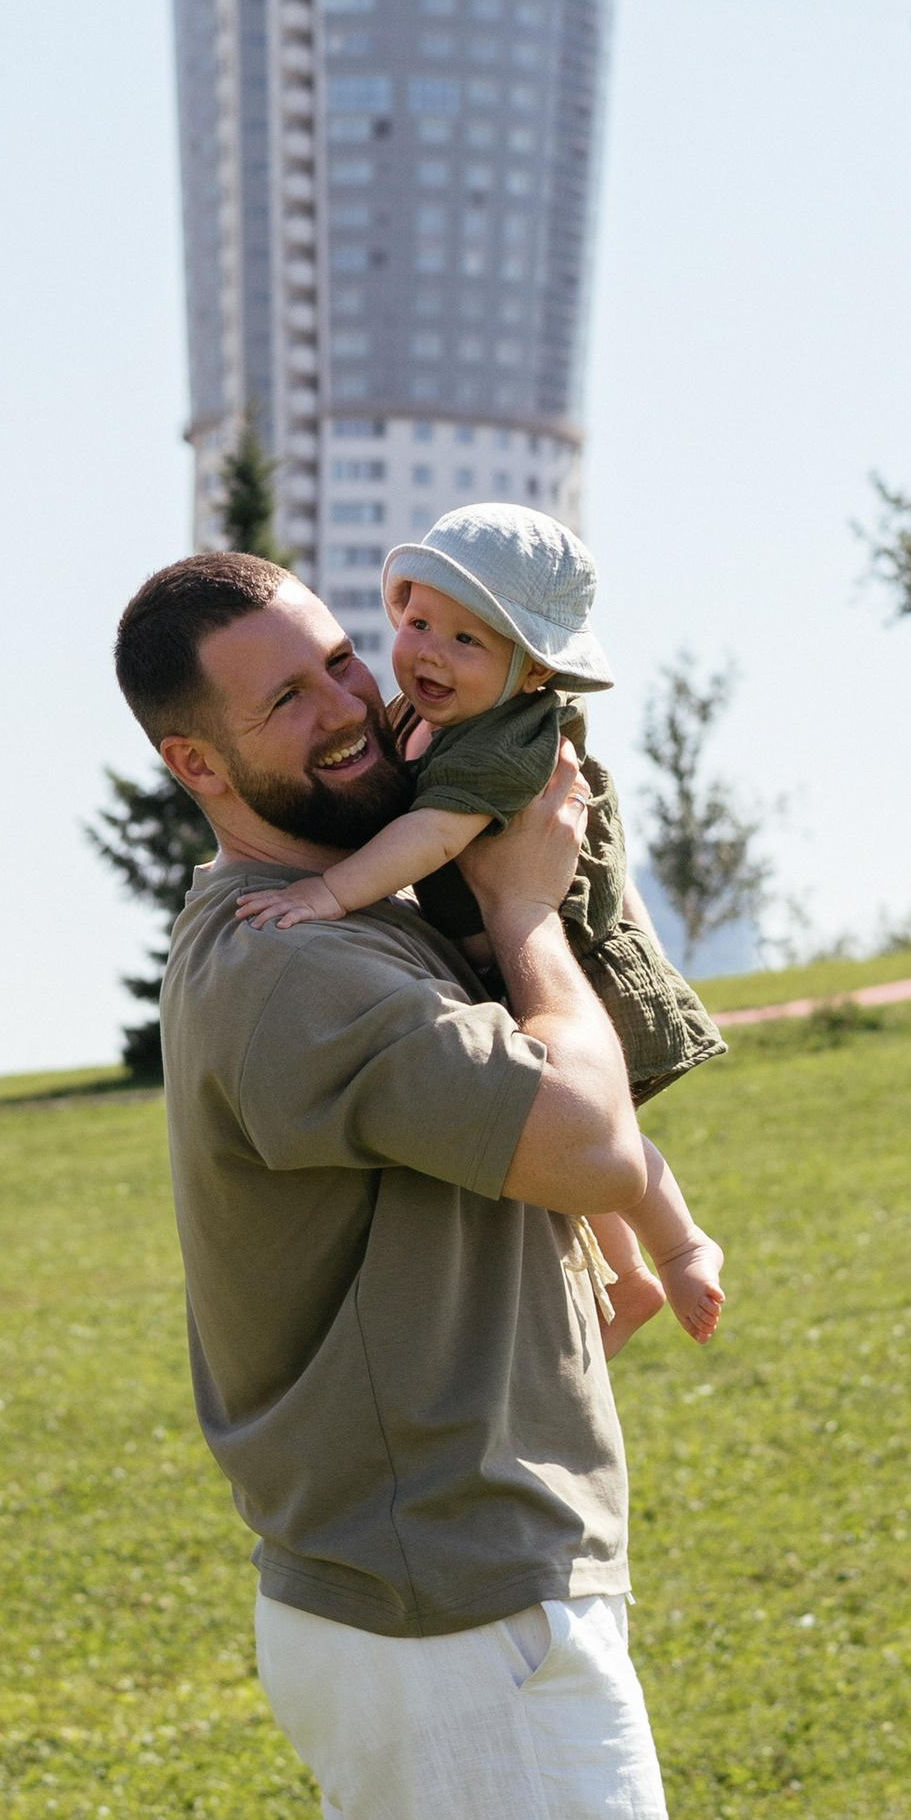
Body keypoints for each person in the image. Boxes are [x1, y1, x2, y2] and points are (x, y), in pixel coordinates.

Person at [114, 545, 717, 1820]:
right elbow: (585, 1134)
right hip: (466, 1623)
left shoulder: (358, 924)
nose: (355, 700)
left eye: (338, 658)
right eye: (285, 700)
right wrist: (534, 919)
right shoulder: (298, 971)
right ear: (199, 767)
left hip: (395, 1607)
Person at [230, 504, 727, 1346]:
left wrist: (328, 896)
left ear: (532, 674)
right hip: (490, 958)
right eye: (421, 621)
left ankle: (680, 1248)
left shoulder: (507, 743)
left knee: (607, 1133)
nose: (429, 652)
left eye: (469, 642)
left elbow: (430, 836)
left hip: (559, 953)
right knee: (553, 1160)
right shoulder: (420, 719)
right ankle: (629, 1281)